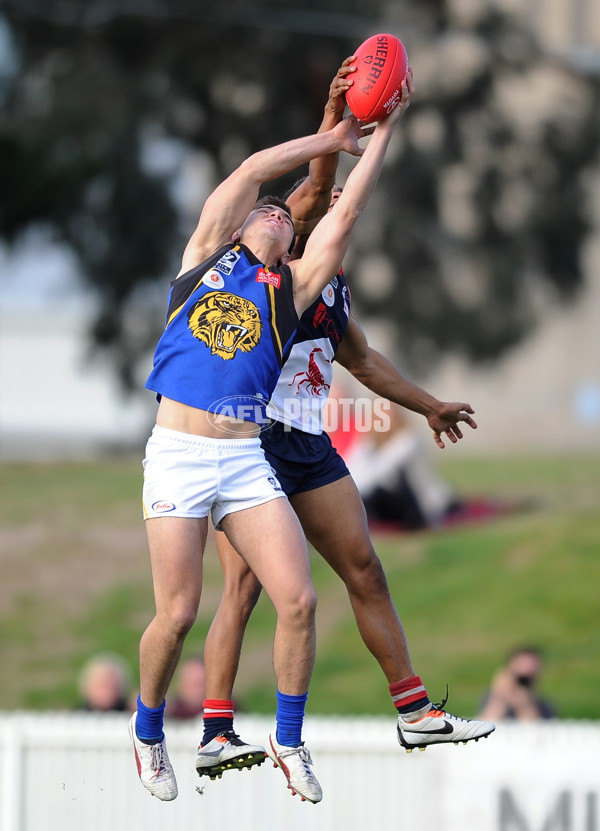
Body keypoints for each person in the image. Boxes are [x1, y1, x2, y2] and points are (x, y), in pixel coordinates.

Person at [195, 60, 494, 791]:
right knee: (243, 591)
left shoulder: (331, 287)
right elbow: (323, 190)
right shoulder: (281, 265)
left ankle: (414, 709)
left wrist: (429, 406)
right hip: (250, 445)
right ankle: (213, 728)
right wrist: (340, 121)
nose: (313, 212)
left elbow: (362, 359)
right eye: (298, 209)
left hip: (308, 446)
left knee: (365, 567)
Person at [129, 63, 412, 806]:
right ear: (243, 223)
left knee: (299, 600)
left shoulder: (289, 297)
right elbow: (256, 169)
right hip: (179, 457)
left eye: (287, 221)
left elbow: (342, 216)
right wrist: (332, 134)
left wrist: (383, 134)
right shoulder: (201, 267)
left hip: (242, 458)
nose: (278, 214)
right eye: (269, 212)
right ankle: (149, 726)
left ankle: (288, 739)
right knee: (179, 612)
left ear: (290, 247)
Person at [478, 646, 556, 721]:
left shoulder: (544, 706)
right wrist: (500, 694)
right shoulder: (492, 698)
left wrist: (524, 703)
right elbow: (487, 724)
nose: (525, 673)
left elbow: (533, 728)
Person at [166, 655, 206, 719]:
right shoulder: (168, 716)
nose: (199, 691)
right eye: (193, 684)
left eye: (201, 684)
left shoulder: (217, 715)